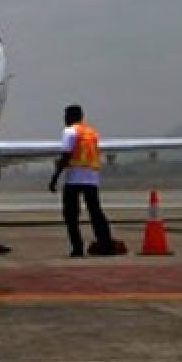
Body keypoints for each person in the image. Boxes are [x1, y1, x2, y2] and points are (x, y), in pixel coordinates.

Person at [49, 103, 115, 257]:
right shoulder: (92, 133)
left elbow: (66, 155)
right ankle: (106, 245)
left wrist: (55, 177)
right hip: (91, 179)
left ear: (71, 117)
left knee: (71, 215)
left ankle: (77, 248)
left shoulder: (70, 131)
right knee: (96, 213)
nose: (64, 119)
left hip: (74, 179)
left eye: (66, 116)